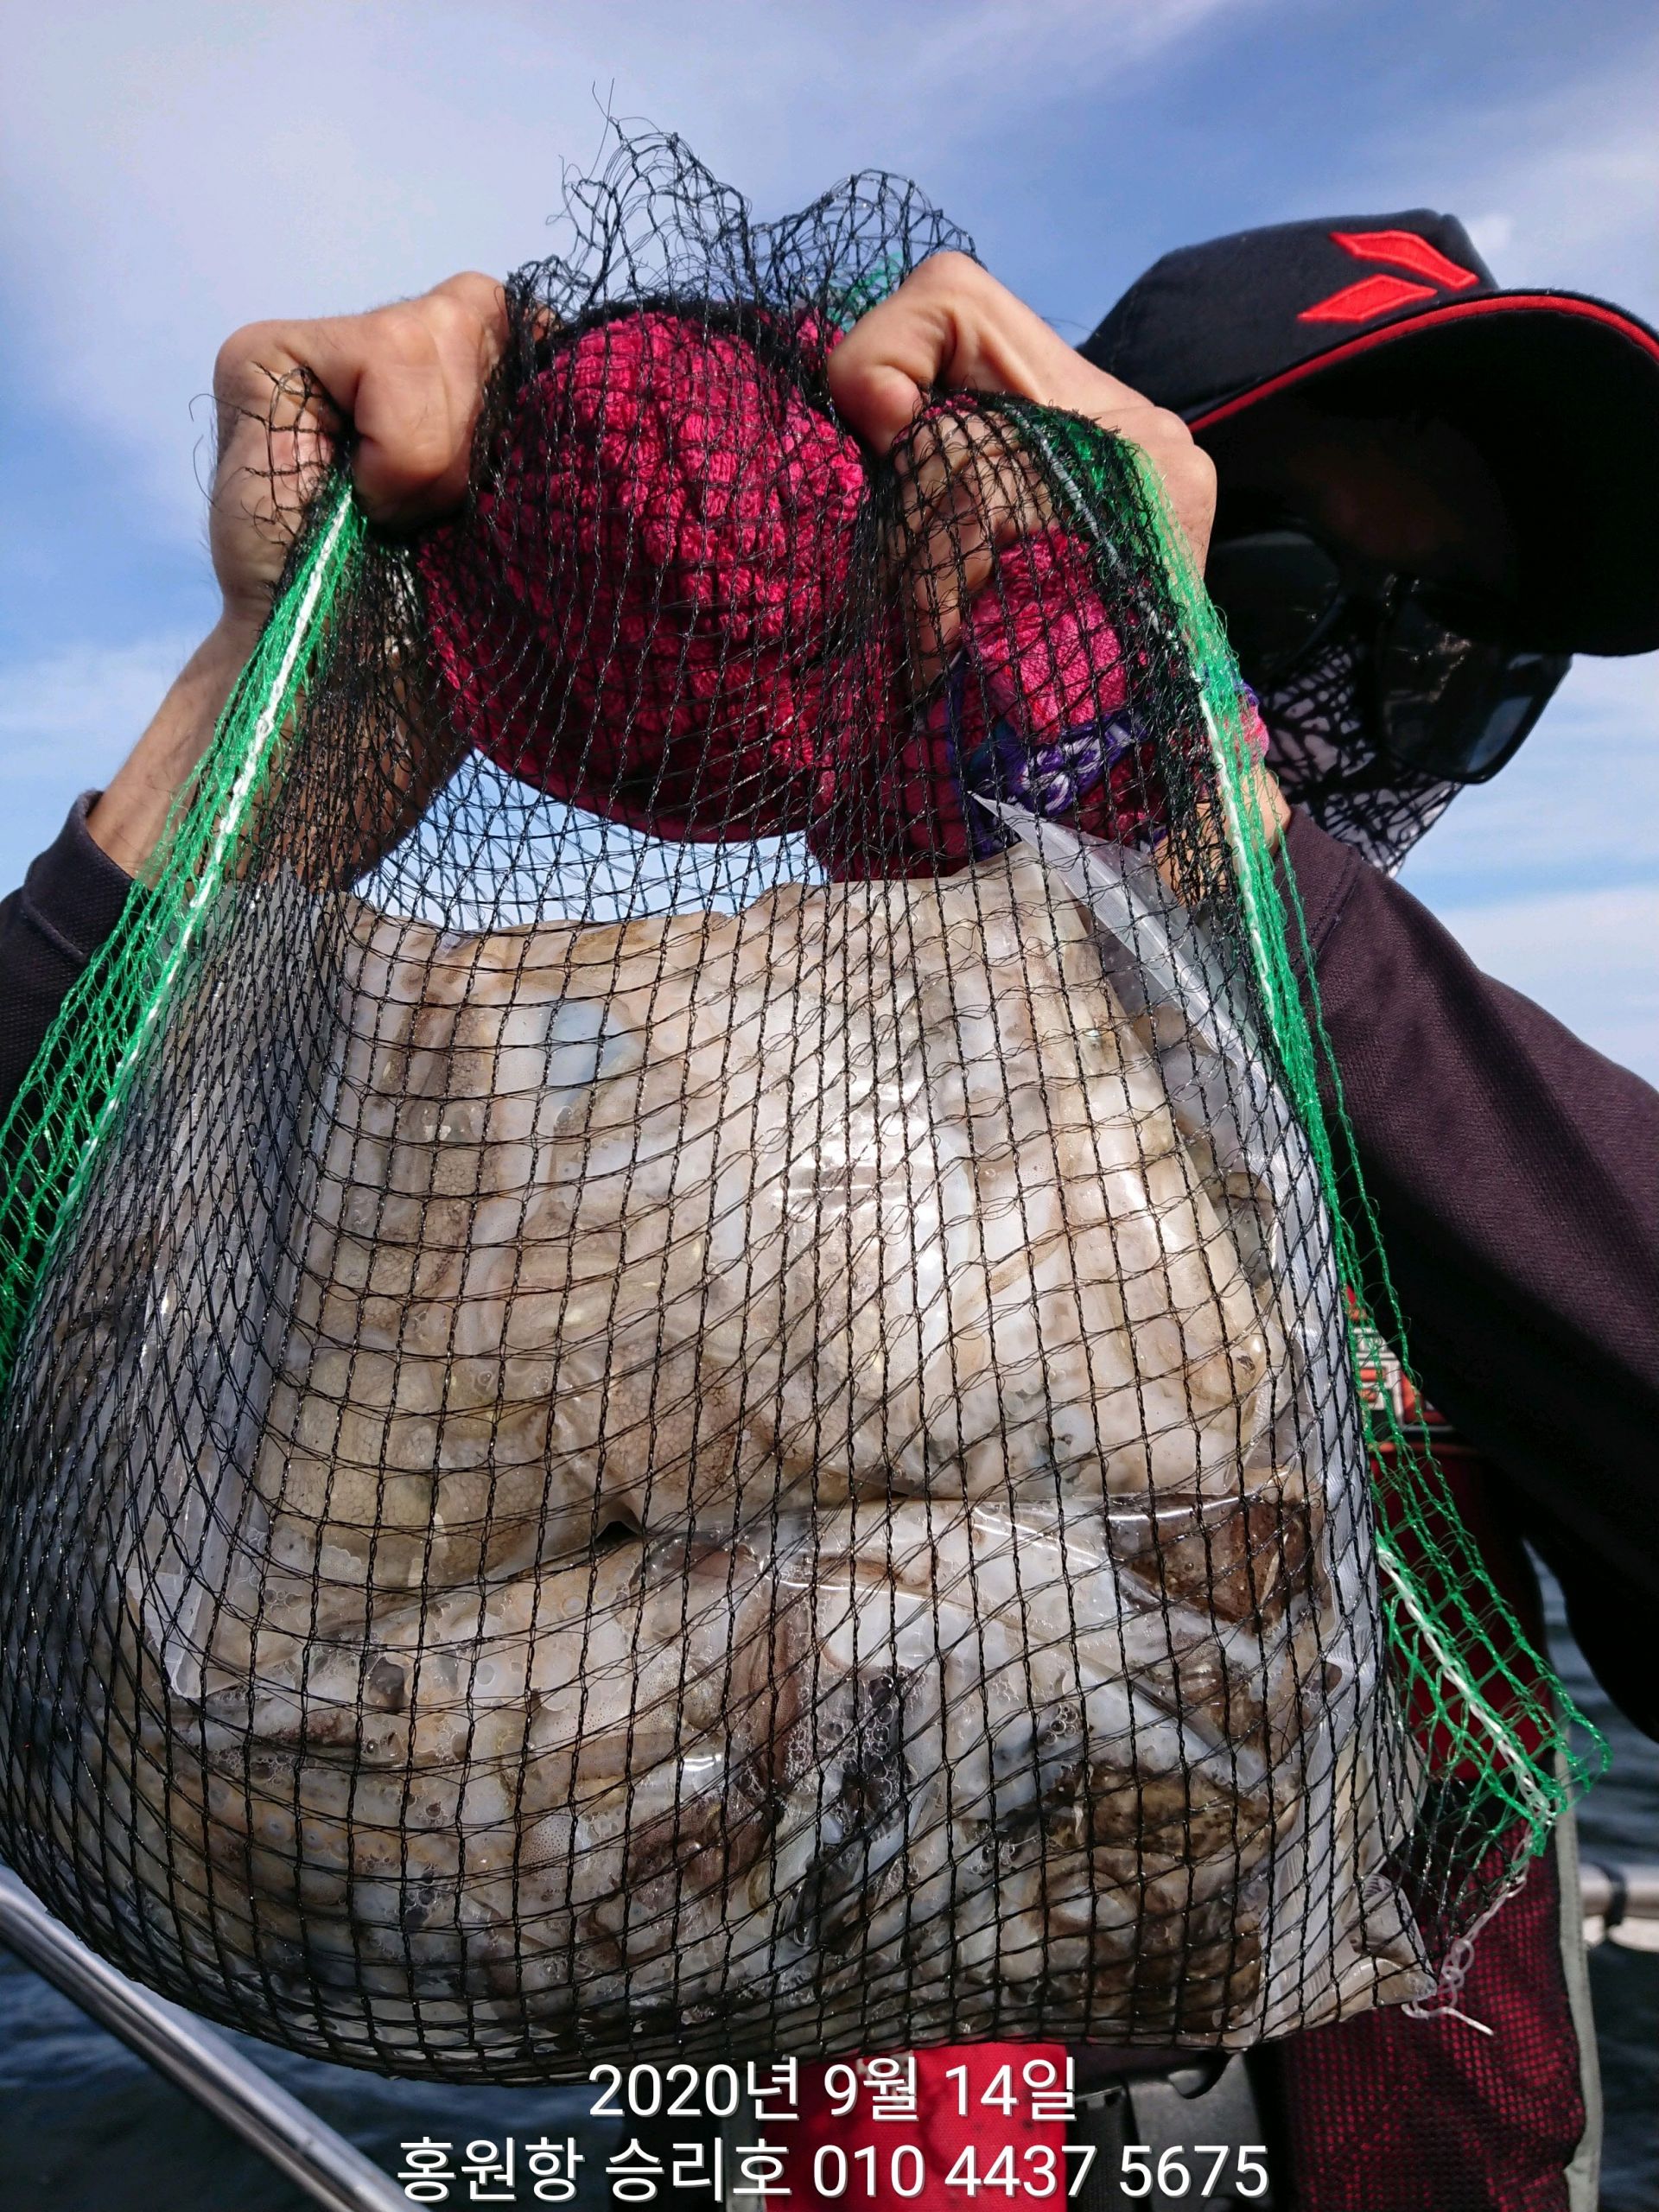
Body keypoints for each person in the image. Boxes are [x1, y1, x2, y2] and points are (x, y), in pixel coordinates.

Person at [1, 220, 1653, 2212]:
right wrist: (257, 729)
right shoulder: (732, 1134)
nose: (1385, 698)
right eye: (1286, 593)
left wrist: (1217, 841)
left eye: (1471, 666)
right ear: (997, 537)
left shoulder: (1438, 1133)